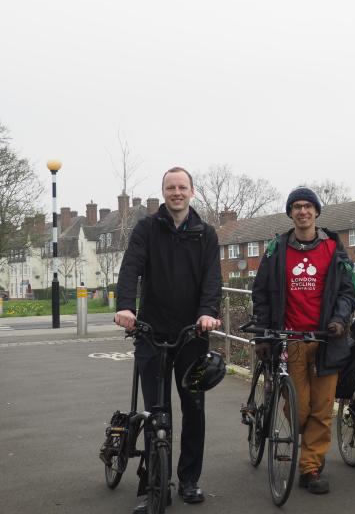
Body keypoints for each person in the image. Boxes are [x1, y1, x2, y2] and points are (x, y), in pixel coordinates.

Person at [114, 167, 222, 513]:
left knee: (193, 407)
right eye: (170, 187)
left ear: (192, 192)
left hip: (192, 333)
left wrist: (207, 313)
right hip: (151, 329)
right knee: (155, 411)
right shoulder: (147, 228)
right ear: (164, 192)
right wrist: (126, 307)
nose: (176, 192)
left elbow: (212, 279)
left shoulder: (205, 234)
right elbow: (131, 267)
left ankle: (189, 479)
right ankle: (152, 483)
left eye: (182, 187)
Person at [252, 187, 355, 495]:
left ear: (316, 212)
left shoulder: (333, 249)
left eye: (308, 206)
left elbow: (348, 292)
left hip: (327, 340)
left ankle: (310, 468)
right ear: (290, 213)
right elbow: (260, 293)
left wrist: (339, 321)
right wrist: (263, 334)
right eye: (296, 206)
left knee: (322, 410)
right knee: (299, 410)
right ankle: (305, 444)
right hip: (290, 340)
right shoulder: (276, 250)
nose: (302, 211)